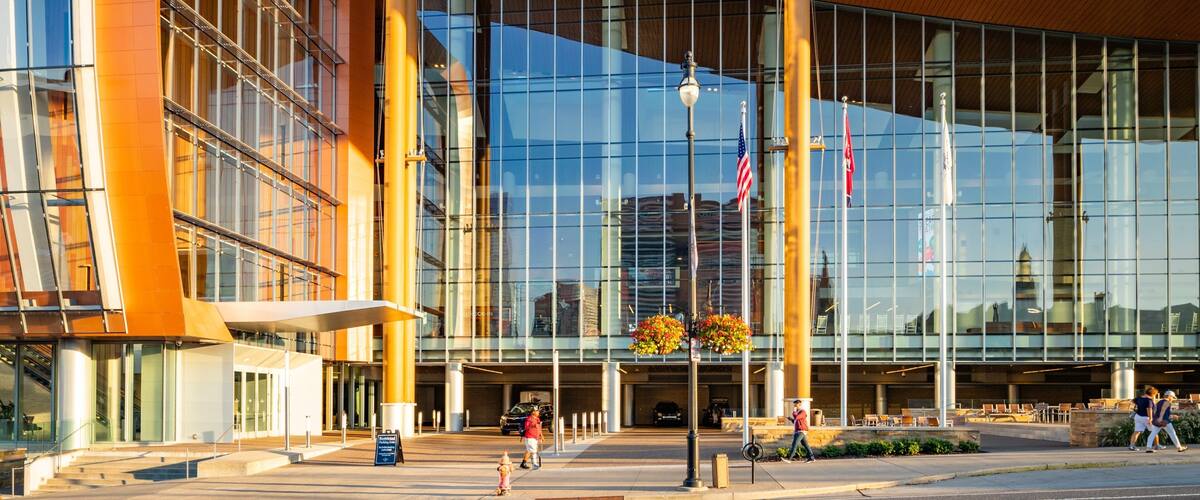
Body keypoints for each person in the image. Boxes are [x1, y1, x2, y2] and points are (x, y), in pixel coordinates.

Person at [1129, 386, 1157, 451]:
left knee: (1136, 432)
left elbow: (1132, 401)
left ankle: (1132, 446)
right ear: (1152, 394)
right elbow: (1149, 409)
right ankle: (1157, 445)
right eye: (1155, 395)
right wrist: (1150, 418)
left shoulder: (1139, 398)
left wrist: (1136, 408)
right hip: (1146, 418)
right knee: (1154, 431)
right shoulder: (1149, 400)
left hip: (1138, 416)